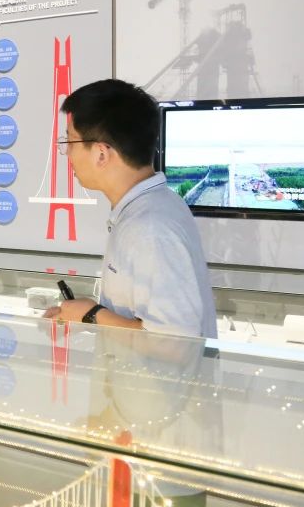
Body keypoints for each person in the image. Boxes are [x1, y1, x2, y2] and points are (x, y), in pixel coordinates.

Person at [44, 79, 217, 338]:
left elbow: (175, 342)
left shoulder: (150, 227)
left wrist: (92, 315)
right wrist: (82, 316)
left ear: (101, 154)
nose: (66, 154)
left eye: (69, 142)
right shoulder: (151, 209)